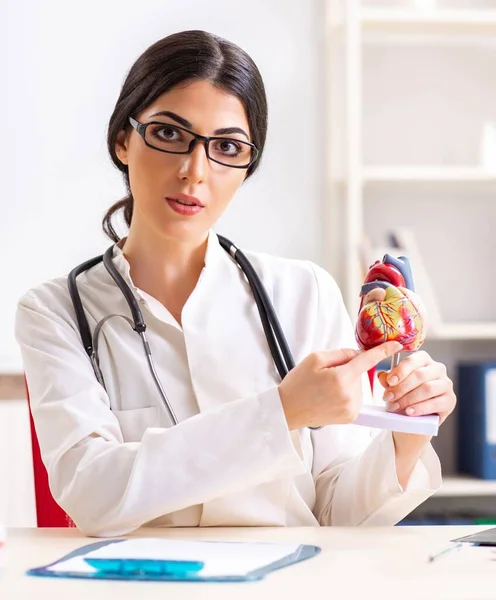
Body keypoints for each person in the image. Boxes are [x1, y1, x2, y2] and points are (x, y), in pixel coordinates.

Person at [15, 30, 456, 537]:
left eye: (226, 146)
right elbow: (93, 494)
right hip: (140, 586)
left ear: (247, 166)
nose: (193, 171)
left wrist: (406, 438)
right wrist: (283, 410)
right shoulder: (54, 312)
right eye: (168, 134)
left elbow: (338, 512)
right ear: (122, 141)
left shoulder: (304, 293)